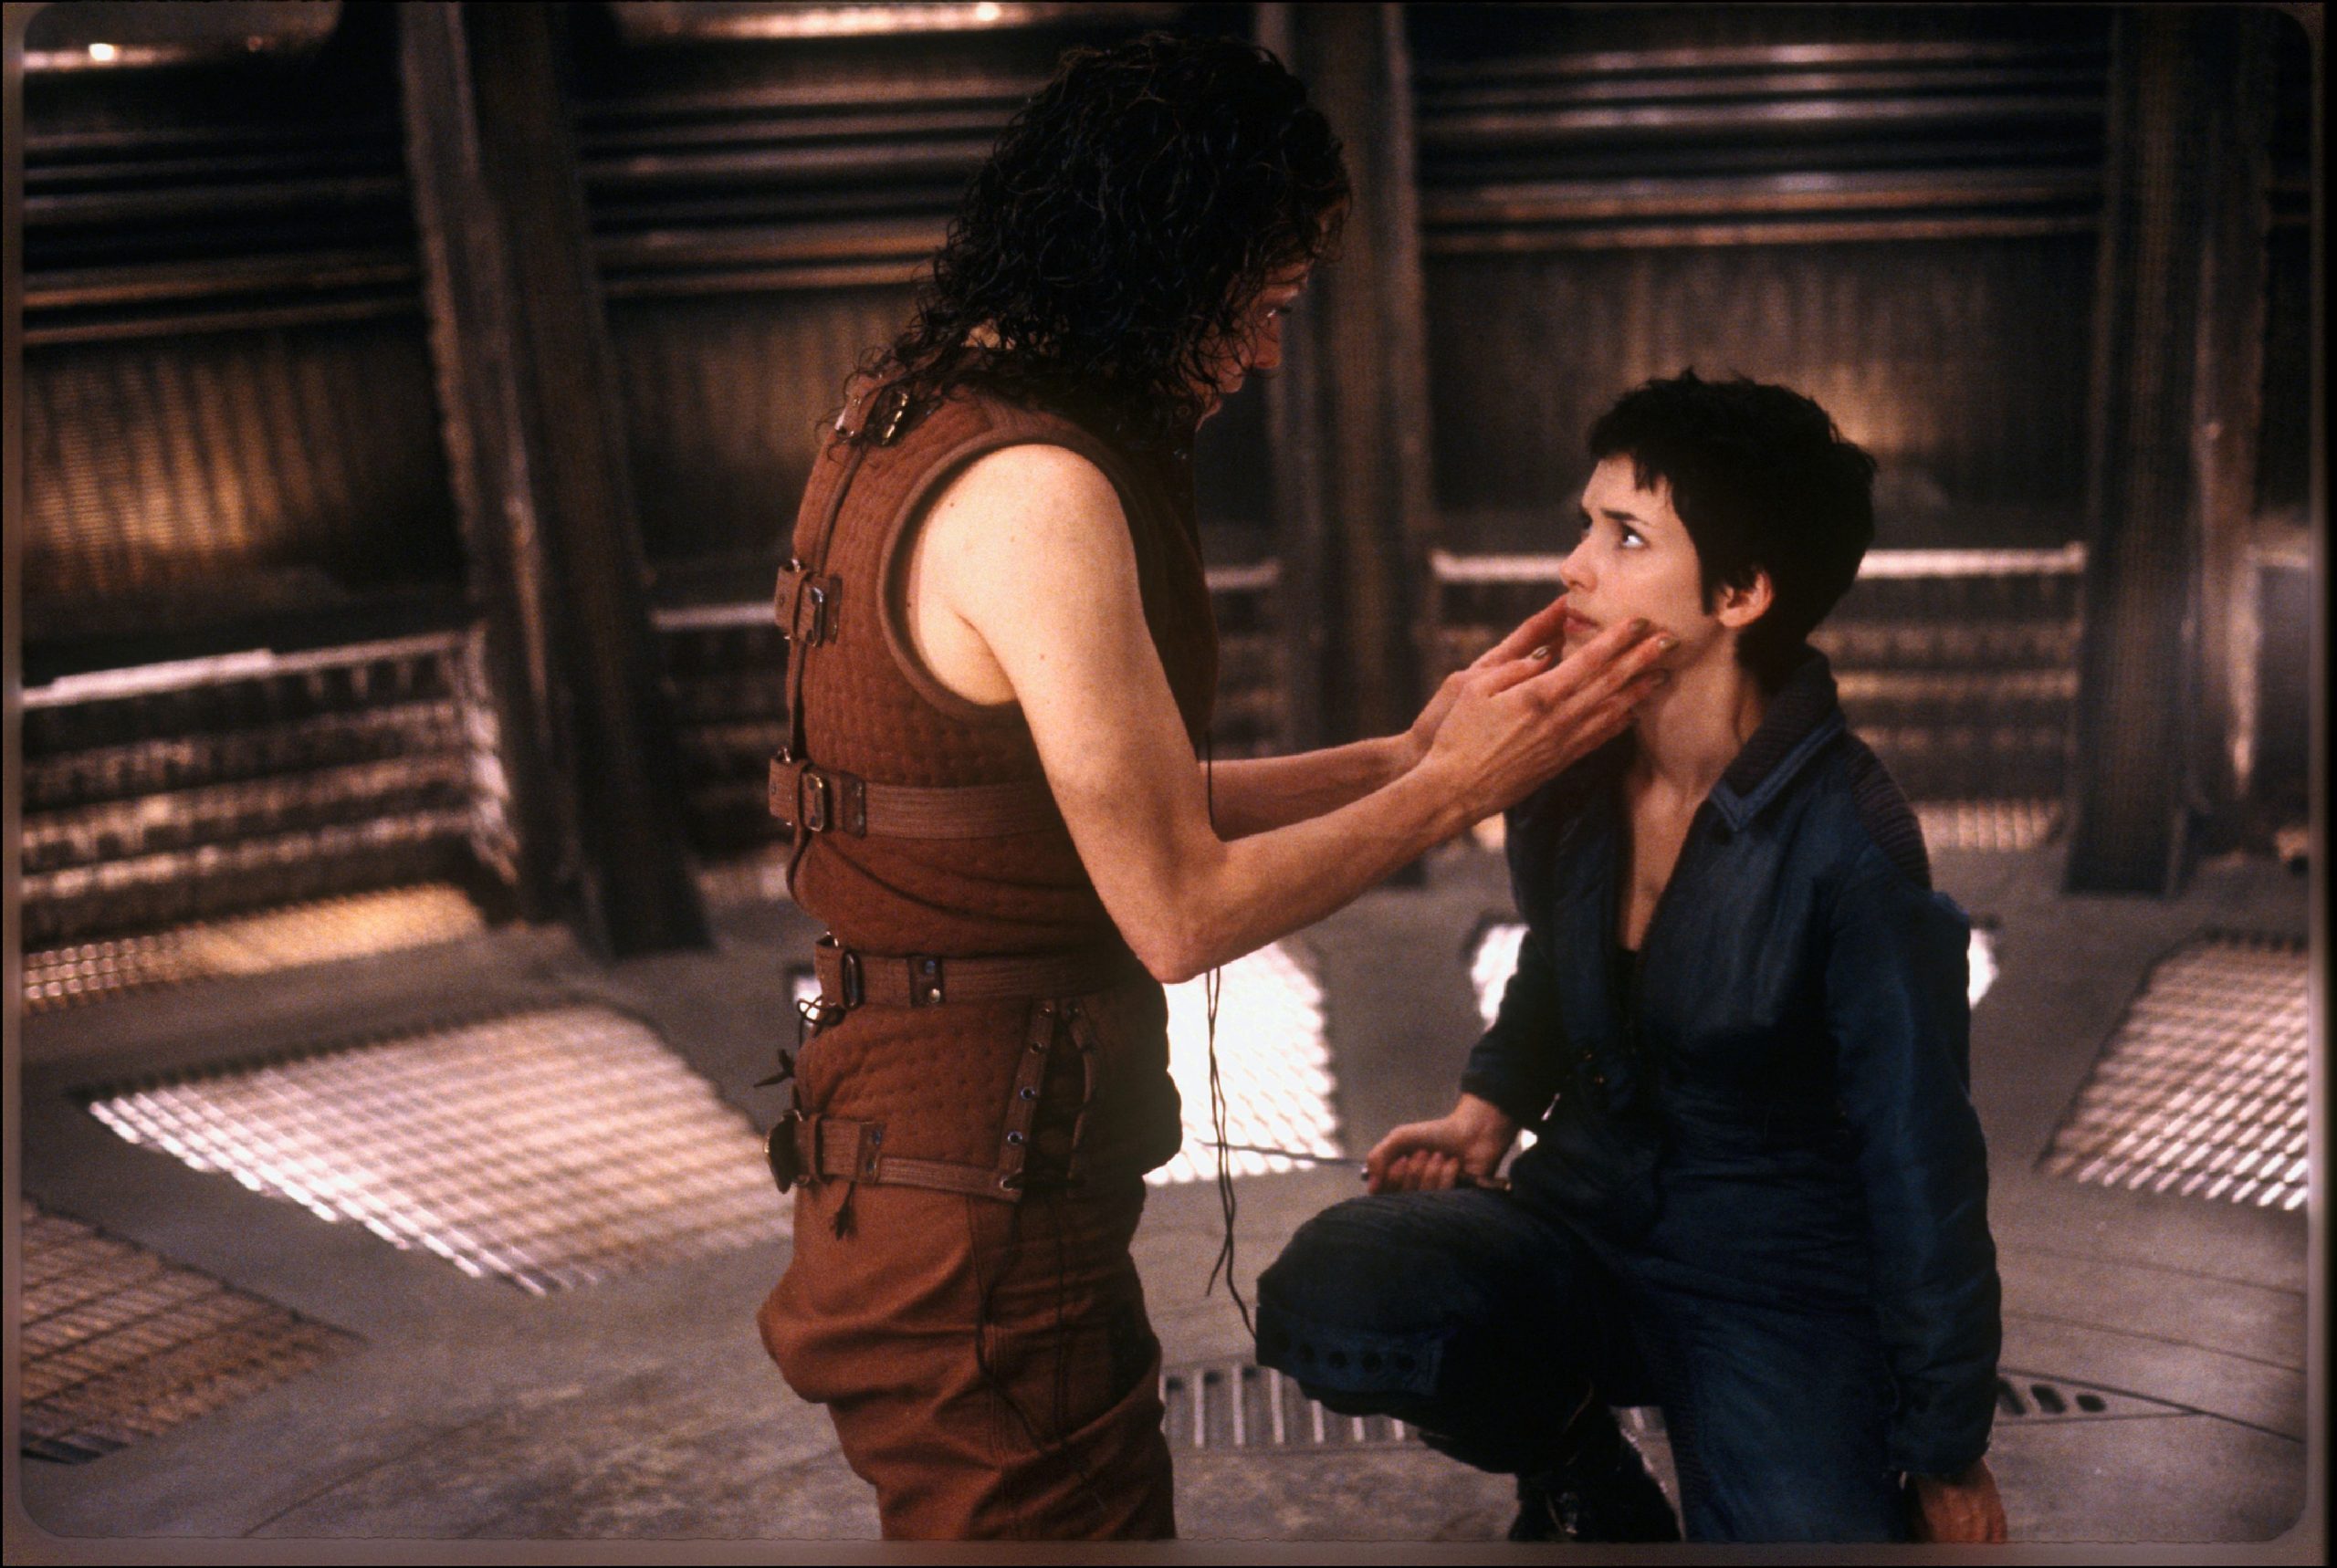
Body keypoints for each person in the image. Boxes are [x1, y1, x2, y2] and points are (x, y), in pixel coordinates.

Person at [750, 34, 1671, 1541]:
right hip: (973, 1198)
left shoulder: (909, 410)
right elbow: (1175, 909)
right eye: (1259, 304)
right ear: (1157, 264)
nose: (1261, 353)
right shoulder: (1036, 492)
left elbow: (1121, 803)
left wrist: (1407, 752)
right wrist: (1454, 794)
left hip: (945, 1162)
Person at [1254, 371, 2008, 1544]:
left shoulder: (1855, 845)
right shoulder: (1568, 767)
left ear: (1740, 592)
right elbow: (1561, 965)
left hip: (1779, 1280)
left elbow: (1922, 1160)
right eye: (1585, 524)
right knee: (1336, 1286)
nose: (1573, 565)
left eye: (1626, 535)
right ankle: (1583, 1472)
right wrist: (1484, 1113)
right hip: (1588, 1219)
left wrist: (1947, 1446)